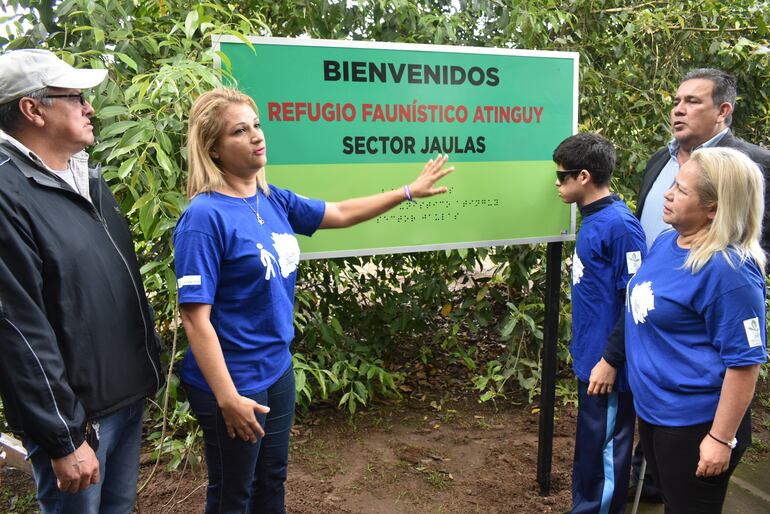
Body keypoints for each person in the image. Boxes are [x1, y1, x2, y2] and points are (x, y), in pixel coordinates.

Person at [173, 87, 454, 513]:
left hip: (276, 370)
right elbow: (196, 320)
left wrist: (407, 191)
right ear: (213, 149)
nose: (256, 136)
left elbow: (339, 213)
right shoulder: (203, 218)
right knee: (233, 493)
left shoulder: (270, 199)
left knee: (272, 480)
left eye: (256, 124)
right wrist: (228, 398)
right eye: (240, 130)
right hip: (232, 380)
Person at [0, 49, 162, 513]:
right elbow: (18, 331)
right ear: (33, 109)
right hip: (78, 422)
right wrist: (63, 436)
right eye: (75, 97)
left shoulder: (87, 179)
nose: (90, 107)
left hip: (124, 400)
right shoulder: (7, 192)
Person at [626, 147, 767, 513]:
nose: (669, 193)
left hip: (695, 425)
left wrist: (721, 438)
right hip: (658, 413)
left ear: (714, 209)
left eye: (682, 190)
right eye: (673, 183)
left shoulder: (728, 273)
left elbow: (745, 364)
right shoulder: (667, 242)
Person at [554, 133, 646, 514]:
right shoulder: (593, 219)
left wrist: (611, 360)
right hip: (589, 357)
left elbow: (636, 300)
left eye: (561, 178)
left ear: (584, 176)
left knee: (606, 450)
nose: (557, 186)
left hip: (608, 366)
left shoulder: (621, 227)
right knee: (591, 446)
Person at [637, 68, 770, 251]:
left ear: (722, 111)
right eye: (676, 103)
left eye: (692, 102)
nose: (678, 110)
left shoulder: (754, 164)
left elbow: (763, 244)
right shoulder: (659, 160)